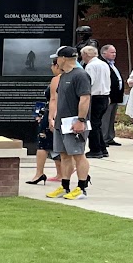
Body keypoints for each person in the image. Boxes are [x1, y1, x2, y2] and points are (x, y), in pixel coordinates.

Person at [50, 46, 92, 200]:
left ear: (63, 58)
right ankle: (65, 186)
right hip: (62, 123)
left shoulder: (80, 75)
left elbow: (85, 98)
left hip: (74, 123)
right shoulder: (63, 76)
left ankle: (81, 188)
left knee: (78, 154)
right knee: (64, 155)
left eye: (57, 58)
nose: (56, 62)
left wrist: (81, 120)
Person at [26, 56, 63, 184]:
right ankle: (60, 173)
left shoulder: (57, 80)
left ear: (57, 66)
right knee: (56, 146)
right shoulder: (69, 78)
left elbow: (54, 100)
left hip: (52, 115)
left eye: (52, 66)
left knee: (42, 144)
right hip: (55, 113)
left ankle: (39, 173)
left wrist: (49, 117)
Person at [80, 45, 110, 158]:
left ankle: (95, 149)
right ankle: (102, 148)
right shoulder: (104, 64)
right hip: (105, 96)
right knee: (97, 124)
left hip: (95, 97)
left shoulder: (91, 66)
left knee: (92, 124)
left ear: (86, 55)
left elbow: (89, 82)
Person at [100, 44, 124, 145]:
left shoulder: (112, 64)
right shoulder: (102, 64)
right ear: (104, 53)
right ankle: (104, 138)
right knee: (105, 118)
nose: (114, 54)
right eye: (112, 52)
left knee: (111, 118)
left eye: (115, 52)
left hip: (115, 96)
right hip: (108, 95)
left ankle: (110, 137)